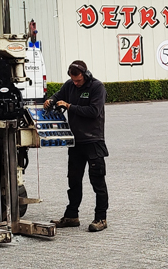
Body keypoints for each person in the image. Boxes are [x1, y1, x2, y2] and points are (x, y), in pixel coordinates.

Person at [45, 60, 109, 232]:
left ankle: (101, 218)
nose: (76, 83)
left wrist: (69, 106)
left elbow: (93, 112)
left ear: (86, 75)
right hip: (75, 142)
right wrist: (51, 100)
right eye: (73, 80)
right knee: (73, 180)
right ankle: (72, 215)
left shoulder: (97, 88)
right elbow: (58, 96)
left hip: (93, 141)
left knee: (97, 181)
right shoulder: (69, 85)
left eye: (78, 80)